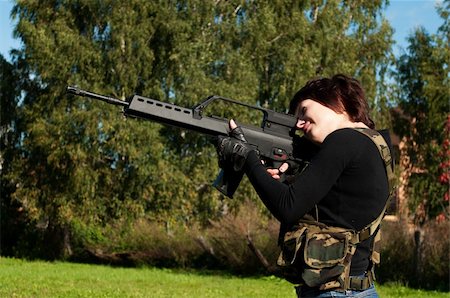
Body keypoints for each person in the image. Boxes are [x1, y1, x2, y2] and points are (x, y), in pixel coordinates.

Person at [216, 74, 394, 297]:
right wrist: (287, 179)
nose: (299, 123)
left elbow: (288, 207)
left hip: (336, 293)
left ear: (336, 100)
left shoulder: (344, 139)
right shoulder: (374, 145)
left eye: (303, 110)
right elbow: (334, 209)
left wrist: (247, 157)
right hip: (358, 288)